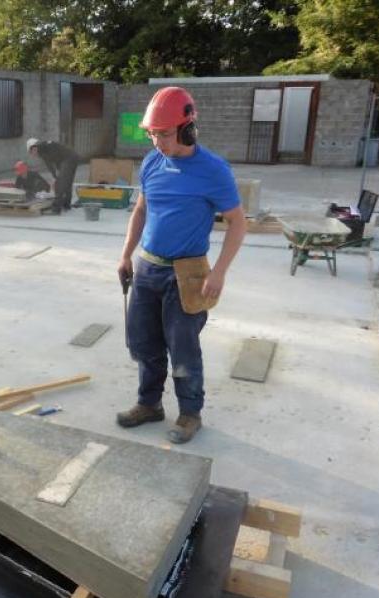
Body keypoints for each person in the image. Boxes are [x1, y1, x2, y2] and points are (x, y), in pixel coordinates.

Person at [116, 87, 246, 443]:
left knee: (183, 346)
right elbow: (141, 210)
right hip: (147, 268)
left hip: (186, 274)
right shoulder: (150, 163)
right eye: (152, 133)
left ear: (188, 129)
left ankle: (190, 413)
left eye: (164, 133)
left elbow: (238, 222)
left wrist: (219, 272)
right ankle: (149, 404)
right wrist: (127, 254)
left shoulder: (213, 170)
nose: (157, 141)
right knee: (145, 343)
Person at [26, 137, 79, 214]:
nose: (33, 155)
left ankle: (56, 209)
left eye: (31, 152)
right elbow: (52, 163)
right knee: (67, 182)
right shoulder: (44, 148)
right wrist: (55, 176)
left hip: (68, 158)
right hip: (72, 157)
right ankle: (66, 204)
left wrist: (56, 176)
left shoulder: (44, 148)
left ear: (33, 148)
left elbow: (53, 161)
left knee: (61, 183)